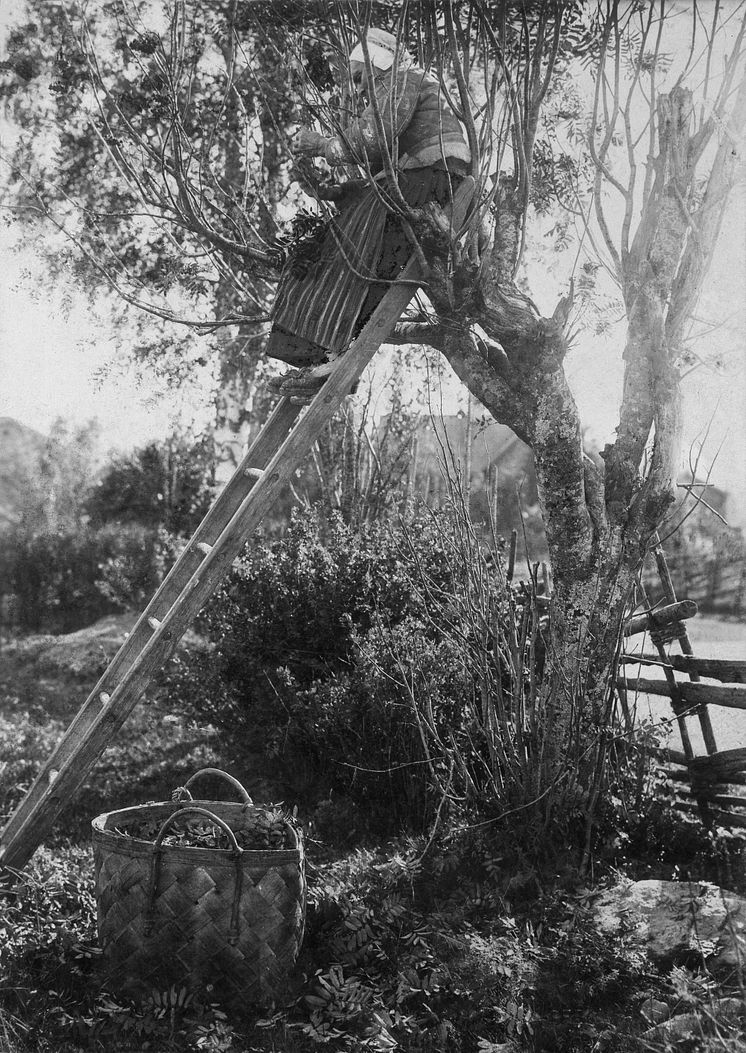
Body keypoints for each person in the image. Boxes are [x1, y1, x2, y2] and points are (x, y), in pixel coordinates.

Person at [267, 27, 471, 400]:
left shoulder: (404, 81)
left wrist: (322, 145)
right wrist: (344, 190)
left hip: (433, 178)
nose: (358, 88)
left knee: (340, 250)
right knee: (322, 250)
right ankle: (325, 357)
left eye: (360, 77)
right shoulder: (397, 90)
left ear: (378, 61)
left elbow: (373, 137)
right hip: (420, 179)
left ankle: (330, 354)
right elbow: (381, 166)